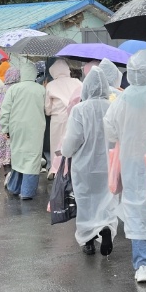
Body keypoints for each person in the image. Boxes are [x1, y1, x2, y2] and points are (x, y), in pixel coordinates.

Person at [104, 49, 146, 283]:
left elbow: (110, 130)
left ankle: (142, 264)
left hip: (131, 160)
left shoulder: (121, 99)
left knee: (134, 208)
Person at [60, 65, 121, 256]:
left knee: (86, 202)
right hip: (108, 164)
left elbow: (73, 140)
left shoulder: (79, 110)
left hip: (84, 166)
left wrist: (65, 151)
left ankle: (88, 240)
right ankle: (106, 227)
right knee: (107, 200)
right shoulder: (113, 107)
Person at [0, 55, 47, 199]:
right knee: (32, 157)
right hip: (36, 127)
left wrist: (5, 128)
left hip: (16, 127)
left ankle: (14, 187)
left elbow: (5, 110)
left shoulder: (13, 89)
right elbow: (47, 109)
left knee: (18, 156)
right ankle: (27, 191)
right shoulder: (41, 90)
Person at [45, 59, 81, 177]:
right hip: (75, 116)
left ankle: (56, 169)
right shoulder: (77, 82)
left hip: (58, 118)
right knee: (72, 142)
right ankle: (70, 168)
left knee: (57, 145)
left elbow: (47, 108)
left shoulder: (50, 85)